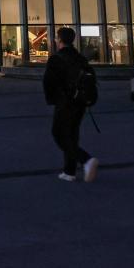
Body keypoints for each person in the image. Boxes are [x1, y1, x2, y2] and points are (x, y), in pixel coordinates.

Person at [43, 26, 98, 182]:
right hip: (80, 102)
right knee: (72, 135)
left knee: (59, 134)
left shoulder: (56, 59)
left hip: (65, 102)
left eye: (56, 38)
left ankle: (86, 160)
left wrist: (53, 100)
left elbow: (48, 82)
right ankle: (69, 171)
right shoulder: (80, 58)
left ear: (59, 40)